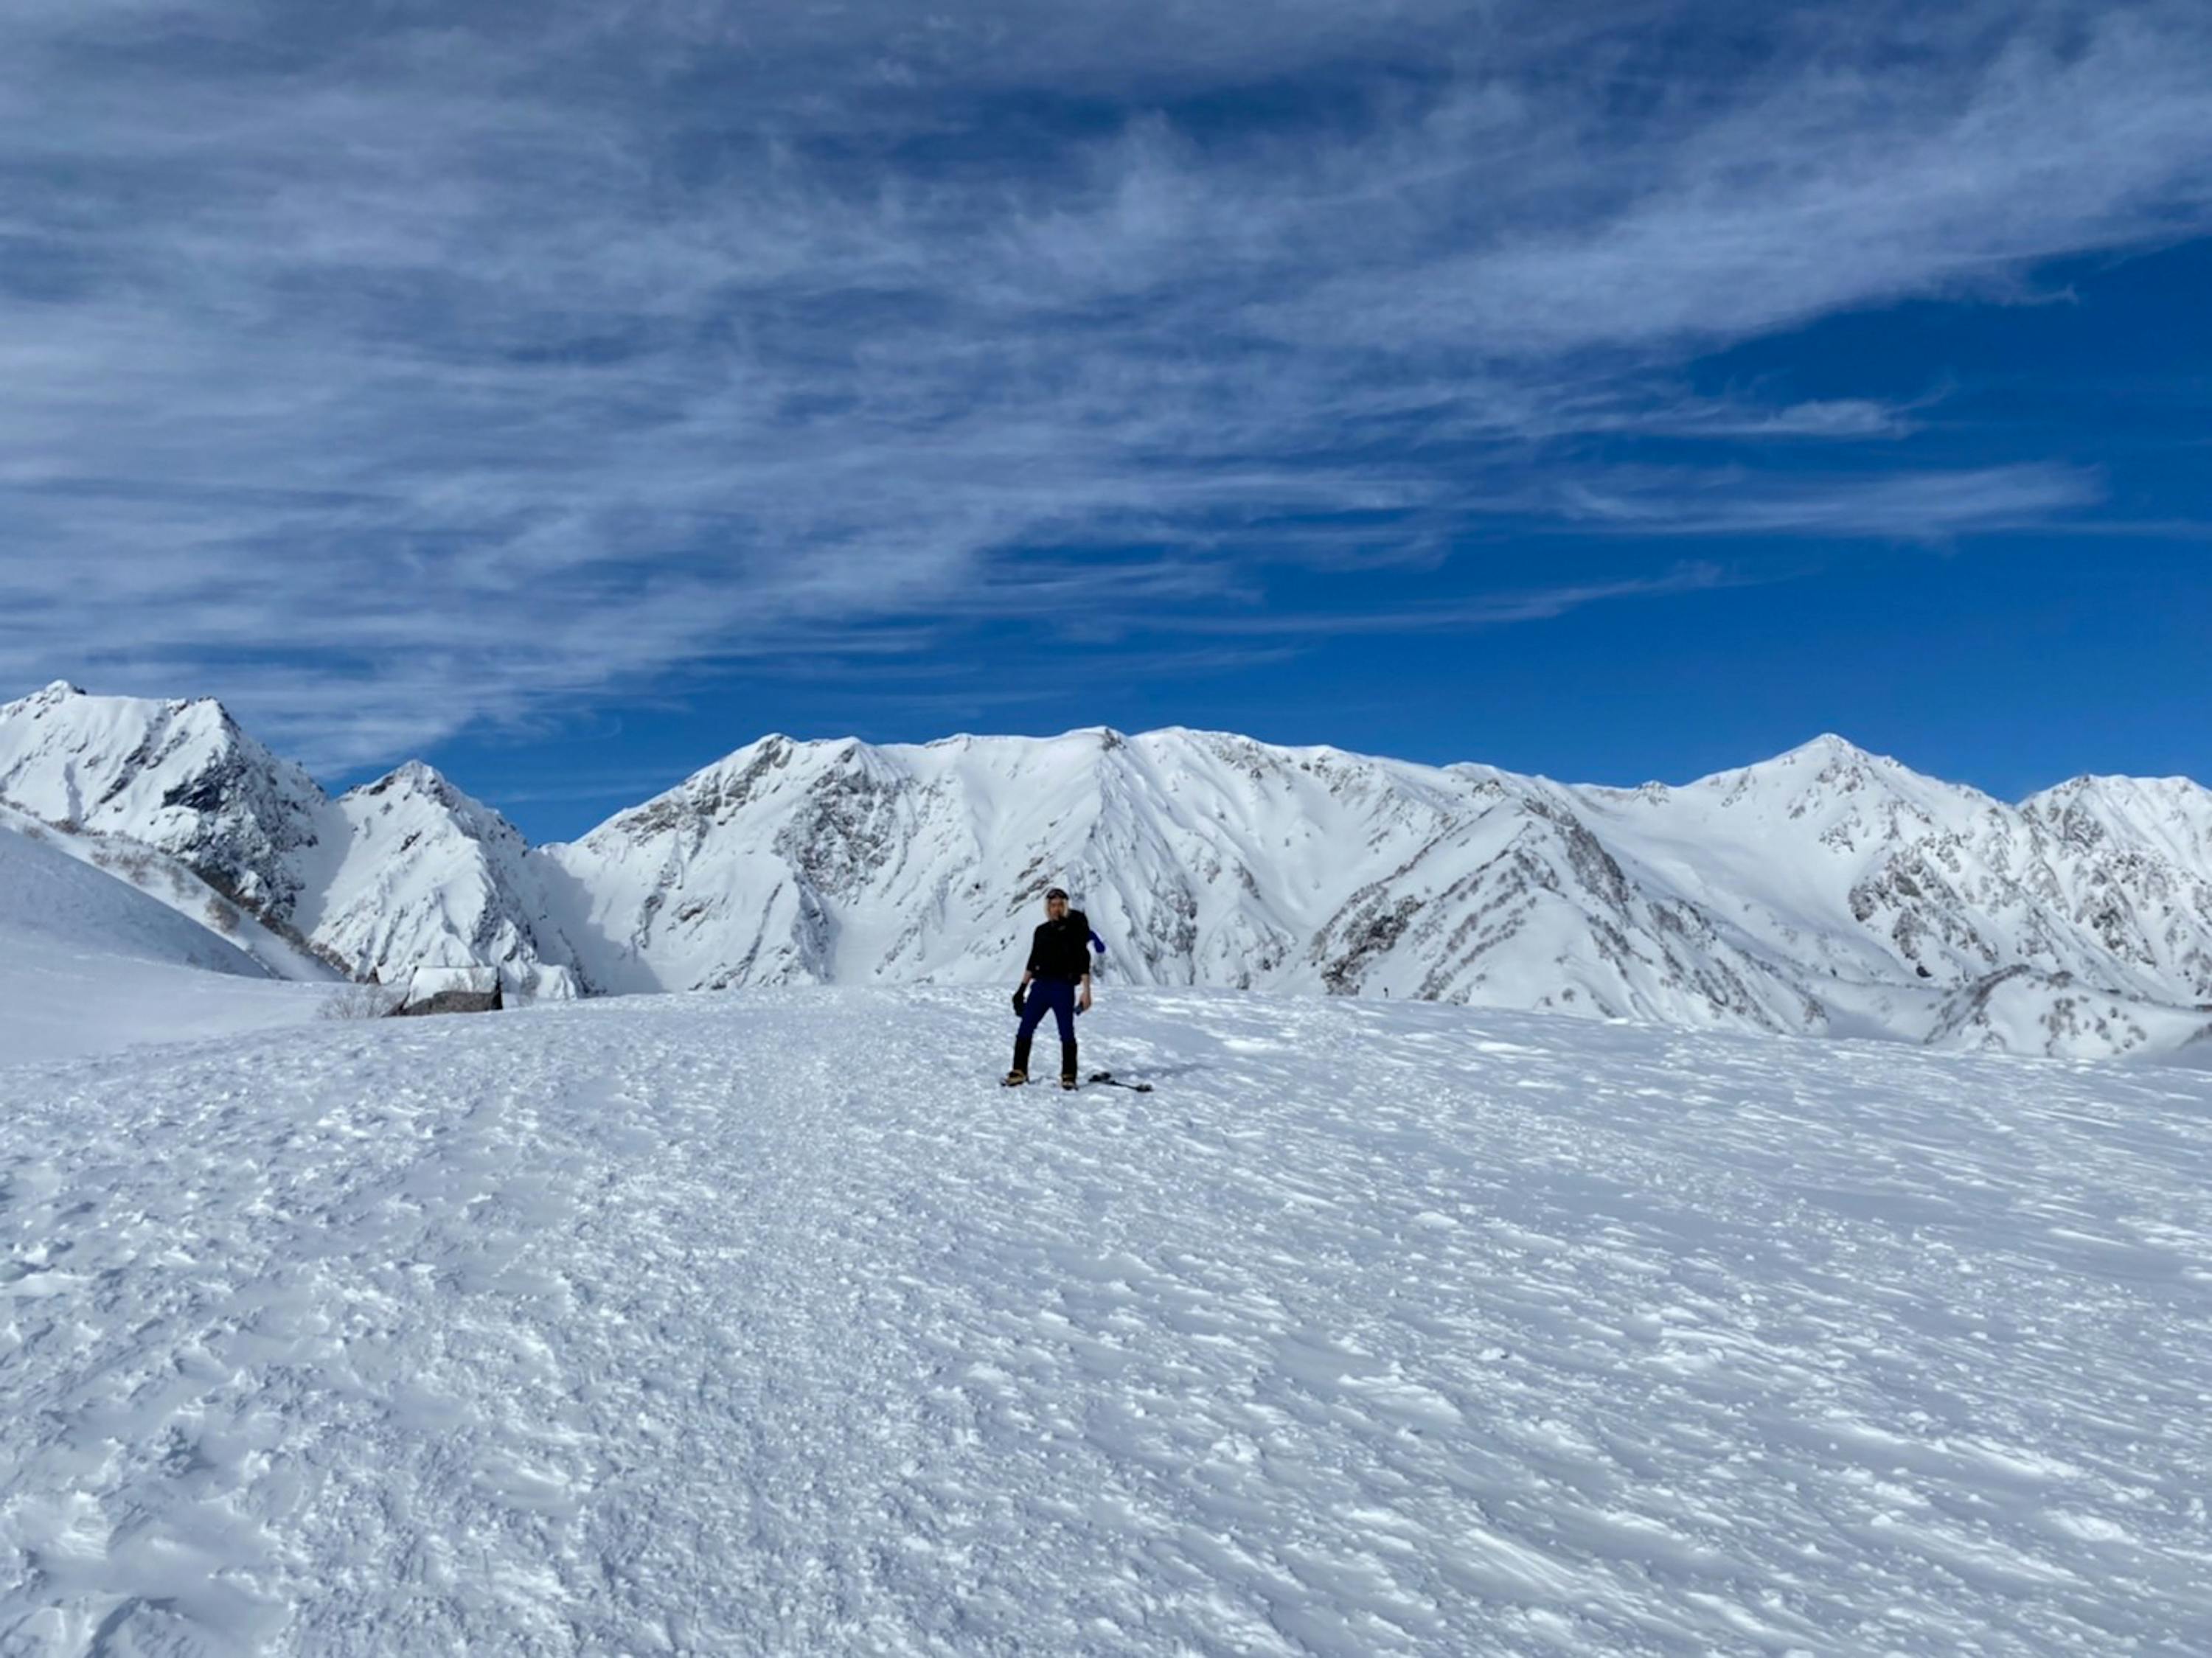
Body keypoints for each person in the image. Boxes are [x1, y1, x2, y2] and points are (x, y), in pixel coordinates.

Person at [1006, 886, 1093, 1088]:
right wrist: (1021, 989)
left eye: (1060, 905)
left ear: (1065, 907)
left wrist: (1086, 992)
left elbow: (1083, 961)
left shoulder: (1075, 931)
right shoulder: (1042, 931)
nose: (1056, 909)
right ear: (1048, 907)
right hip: (1041, 986)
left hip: (1063, 987)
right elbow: (1033, 960)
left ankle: (1069, 1075)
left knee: (1066, 1032)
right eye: (1053, 905)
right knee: (1025, 1027)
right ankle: (1019, 1071)